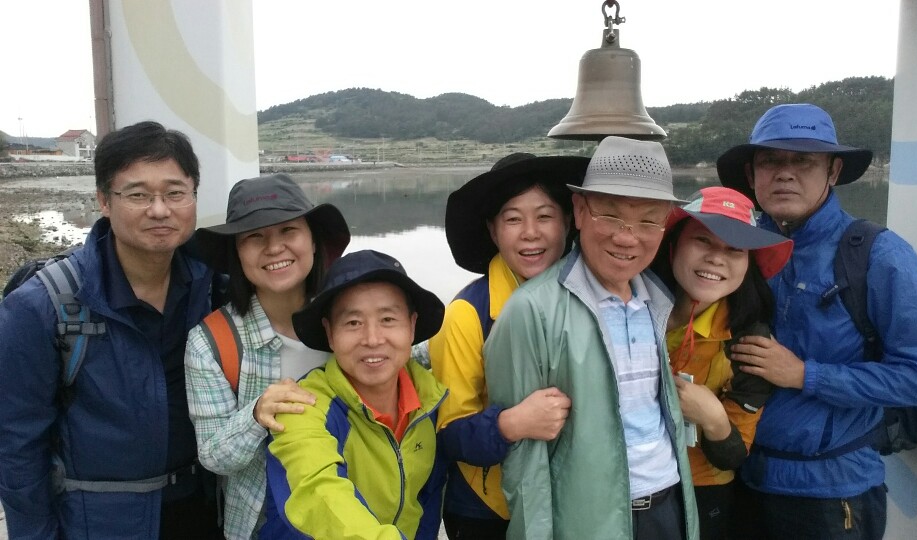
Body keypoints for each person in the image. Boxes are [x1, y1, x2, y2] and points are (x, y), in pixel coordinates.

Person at [717, 103, 917, 539]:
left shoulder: (879, 255)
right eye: (770, 160)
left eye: (803, 160)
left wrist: (805, 375)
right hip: (736, 481)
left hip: (832, 496)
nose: (785, 173)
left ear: (833, 170)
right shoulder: (731, 249)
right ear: (751, 175)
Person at [0, 121, 221, 539]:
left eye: (175, 193)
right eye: (138, 195)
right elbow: (16, 445)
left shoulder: (213, 286)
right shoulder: (42, 306)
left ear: (194, 196)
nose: (160, 210)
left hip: (203, 512)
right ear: (104, 200)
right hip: (98, 523)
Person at [484, 136, 699, 540]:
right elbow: (524, 461)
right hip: (588, 522)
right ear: (580, 211)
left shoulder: (657, 300)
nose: (627, 237)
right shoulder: (531, 310)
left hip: (668, 507)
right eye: (611, 216)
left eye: (648, 221)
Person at [429, 153, 587, 539]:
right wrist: (511, 424)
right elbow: (449, 432)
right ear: (493, 230)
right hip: (488, 508)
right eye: (513, 219)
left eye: (545, 216)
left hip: (570, 494)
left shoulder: (590, 299)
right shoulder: (466, 315)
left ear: (569, 221)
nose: (530, 233)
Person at [184, 173, 350, 539]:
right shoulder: (211, 342)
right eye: (254, 237)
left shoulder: (354, 316)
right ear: (237, 253)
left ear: (313, 239)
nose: (274, 248)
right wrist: (257, 414)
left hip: (363, 513)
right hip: (264, 525)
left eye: (289, 230)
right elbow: (212, 455)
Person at [260, 250, 449, 540]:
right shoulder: (302, 408)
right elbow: (320, 495)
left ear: (412, 325)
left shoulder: (430, 402)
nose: (372, 339)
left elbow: (426, 501)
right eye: (353, 323)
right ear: (330, 333)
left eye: (388, 319)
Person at [650, 186, 792, 539]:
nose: (717, 258)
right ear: (673, 245)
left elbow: (734, 454)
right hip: (628, 482)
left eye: (735, 250)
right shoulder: (630, 307)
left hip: (702, 491)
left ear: (749, 264)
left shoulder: (748, 341)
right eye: (703, 241)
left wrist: (712, 417)